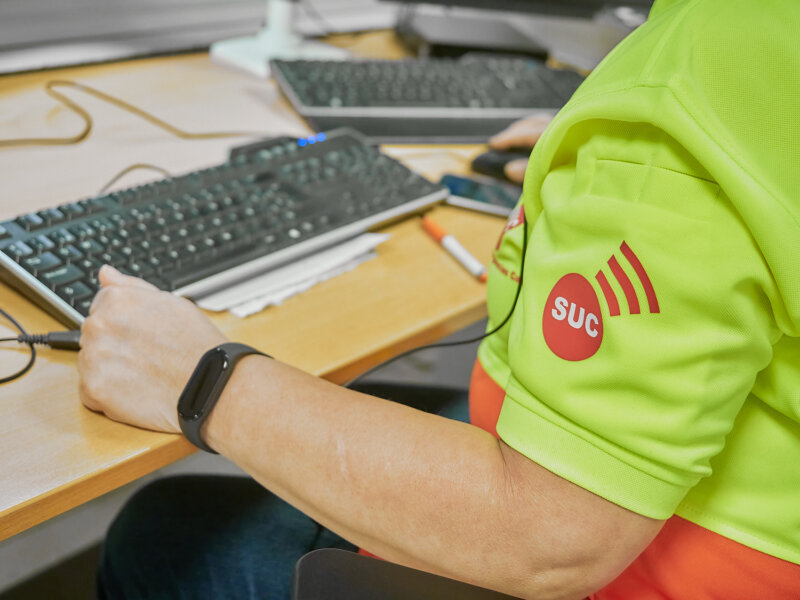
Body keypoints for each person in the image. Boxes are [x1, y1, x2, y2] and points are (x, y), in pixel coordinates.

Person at [79, 0, 800, 598]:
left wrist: (201, 379)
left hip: (647, 567)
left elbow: (549, 540)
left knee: (162, 536)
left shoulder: (699, 78)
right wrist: (598, 174)